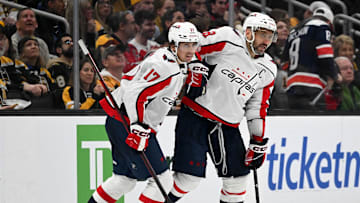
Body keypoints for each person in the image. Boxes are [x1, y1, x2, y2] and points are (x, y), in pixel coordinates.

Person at [88, 21, 208, 203]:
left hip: (121, 121)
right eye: (186, 45)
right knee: (163, 180)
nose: (191, 50)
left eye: (193, 45)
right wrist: (137, 126)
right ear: (174, 45)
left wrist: (196, 66)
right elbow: (134, 94)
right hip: (128, 123)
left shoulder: (174, 59)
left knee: (124, 180)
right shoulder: (164, 66)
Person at [167, 12, 277, 203]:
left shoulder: (268, 68)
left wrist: (257, 140)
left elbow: (257, 107)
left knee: (238, 180)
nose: (266, 40)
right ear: (249, 32)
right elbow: (195, 44)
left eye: (270, 36)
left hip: (227, 125)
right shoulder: (228, 39)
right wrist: (194, 66)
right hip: (195, 116)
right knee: (187, 180)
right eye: (262, 34)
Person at [282, 7, 341, 110]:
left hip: (291, 87)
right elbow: (325, 55)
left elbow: (285, 62)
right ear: (328, 21)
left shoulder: (293, 32)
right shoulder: (322, 26)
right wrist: (334, 75)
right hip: (311, 87)